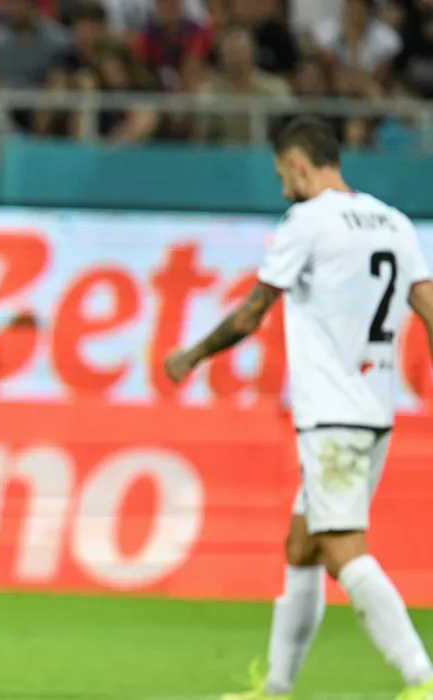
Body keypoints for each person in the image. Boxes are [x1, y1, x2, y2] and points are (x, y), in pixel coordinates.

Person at [163, 115, 433, 700]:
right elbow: (429, 306)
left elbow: (251, 312)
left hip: (332, 414)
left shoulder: (306, 221)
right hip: (375, 411)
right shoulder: (393, 221)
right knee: (302, 546)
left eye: (282, 175)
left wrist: (192, 355)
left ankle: (422, 677)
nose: (284, 187)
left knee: (341, 549)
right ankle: (277, 687)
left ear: (298, 165)